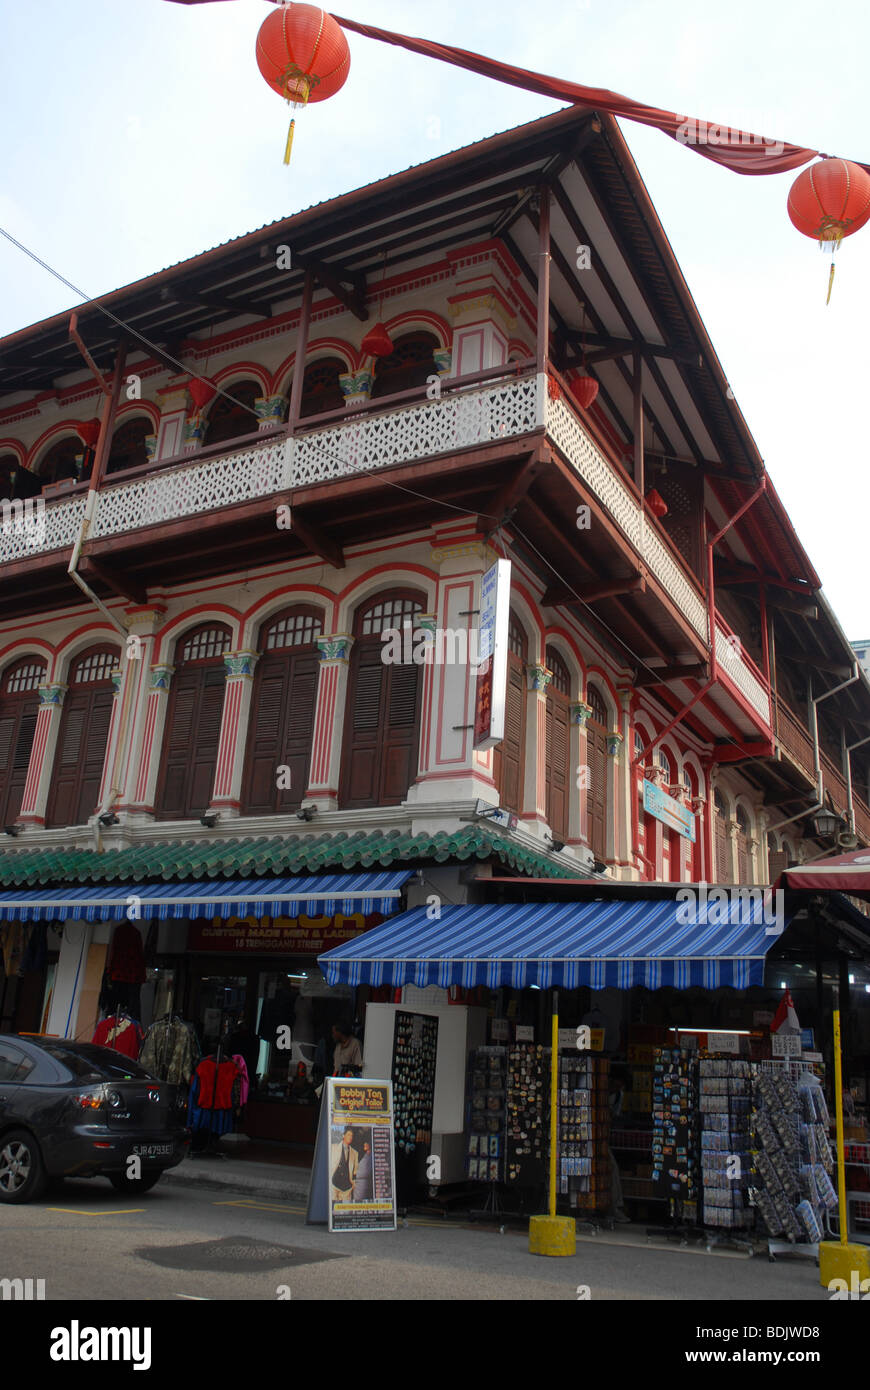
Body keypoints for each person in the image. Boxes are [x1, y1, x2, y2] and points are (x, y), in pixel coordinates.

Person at [608, 1066, 630, 1224]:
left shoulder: (617, 1096)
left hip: (603, 1139)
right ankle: (615, 1208)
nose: (617, 1088)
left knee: (612, 1169)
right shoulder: (603, 1091)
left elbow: (615, 1117)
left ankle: (615, 1207)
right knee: (612, 1168)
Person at [331, 1127, 359, 1203]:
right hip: (334, 1185)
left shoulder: (355, 1153)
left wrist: (353, 1183)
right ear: (343, 1136)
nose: (350, 1137)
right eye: (348, 1135)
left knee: (345, 1210)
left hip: (347, 1188)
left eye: (352, 1136)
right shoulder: (333, 1147)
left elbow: (355, 1170)